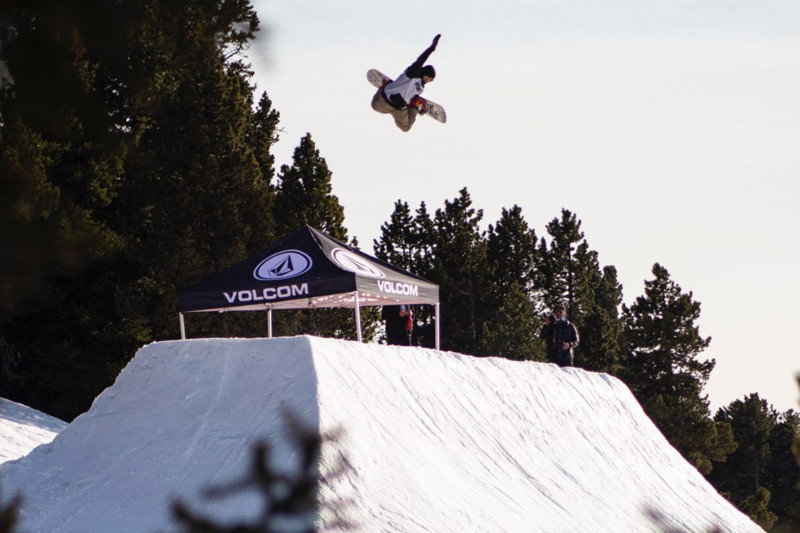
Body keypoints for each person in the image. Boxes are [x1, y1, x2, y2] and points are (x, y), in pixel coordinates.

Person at [371, 34, 441, 132]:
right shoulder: (413, 73)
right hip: (383, 100)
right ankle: (386, 86)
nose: (431, 81)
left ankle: (416, 106)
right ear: (427, 75)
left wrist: (418, 109)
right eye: (432, 79)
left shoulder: (421, 88)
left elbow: (408, 98)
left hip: (398, 107)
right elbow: (420, 60)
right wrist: (431, 49)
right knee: (375, 106)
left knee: (406, 128)